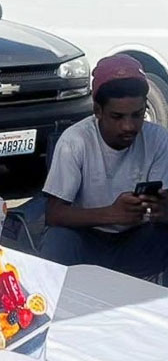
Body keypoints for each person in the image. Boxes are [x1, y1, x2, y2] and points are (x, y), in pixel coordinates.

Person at [40, 54, 168, 279]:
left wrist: (161, 211)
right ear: (97, 111)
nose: (129, 126)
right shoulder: (75, 141)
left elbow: (161, 204)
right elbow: (54, 214)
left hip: (136, 239)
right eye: (117, 116)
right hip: (87, 238)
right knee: (57, 239)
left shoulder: (158, 138)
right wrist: (112, 214)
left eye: (137, 115)